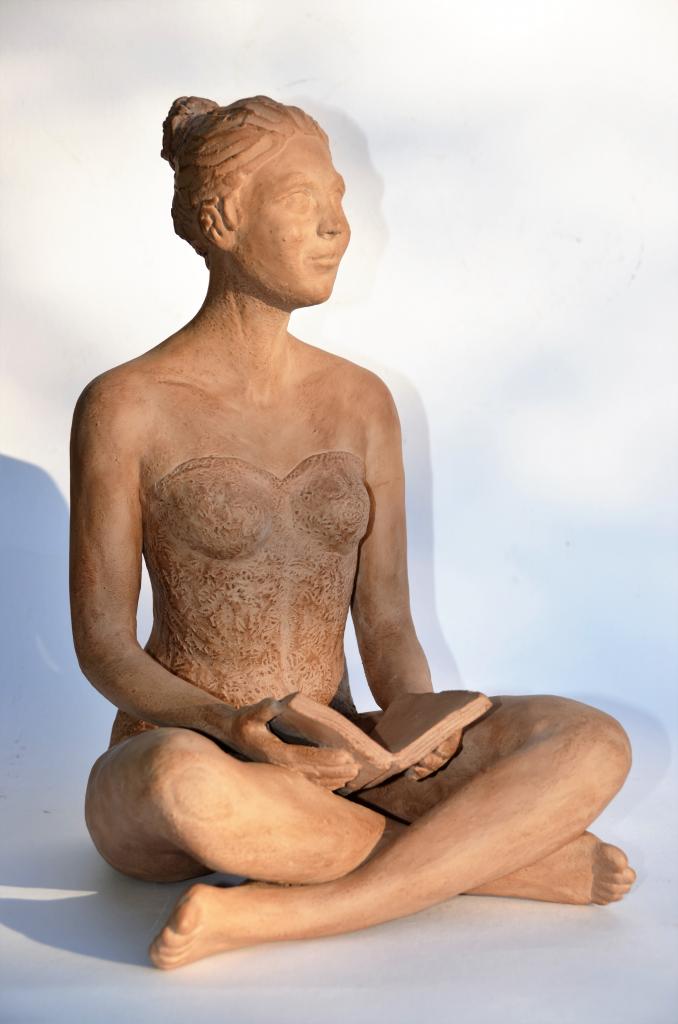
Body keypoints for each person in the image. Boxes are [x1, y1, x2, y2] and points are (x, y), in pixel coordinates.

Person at [69, 95, 635, 971]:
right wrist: (229, 724)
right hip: (184, 747)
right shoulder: (126, 406)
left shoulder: (361, 401)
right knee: (182, 789)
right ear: (223, 220)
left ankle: (276, 915)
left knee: (592, 741)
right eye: (304, 199)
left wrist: (413, 726)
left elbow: (388, 622)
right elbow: (105, 644)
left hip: (342, 753)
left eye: (339, 198)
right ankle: (506, 863)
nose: (337, 225)